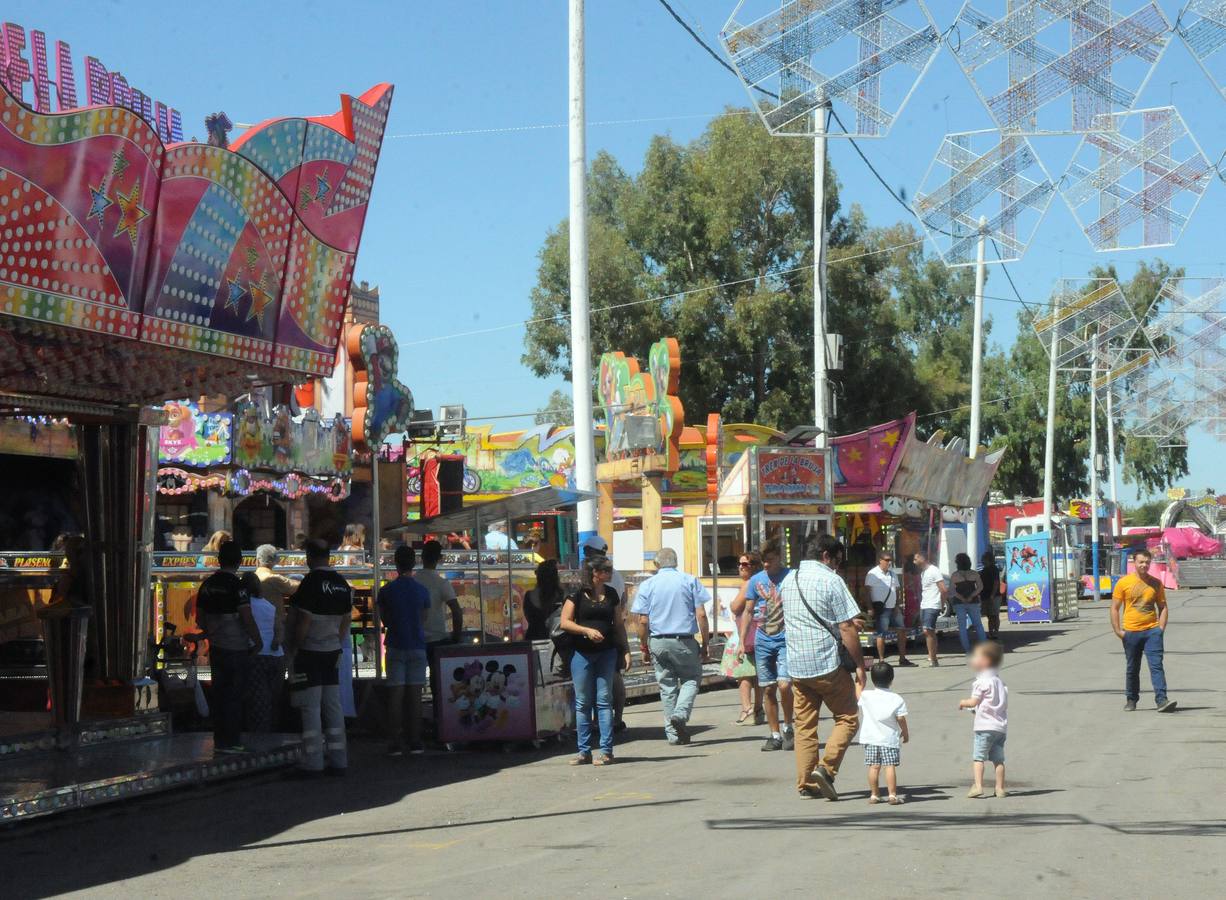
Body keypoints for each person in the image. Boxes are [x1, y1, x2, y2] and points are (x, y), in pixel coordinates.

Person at [781, 534, 866, 800]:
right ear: (826, 556)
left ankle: (806, 783)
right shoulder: (831, 580)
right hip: (826, 663)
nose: (837, 567)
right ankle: (826, 770)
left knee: (805, 726)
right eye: (837, 561)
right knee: (848, 718)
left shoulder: (788, 579)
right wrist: (861, 665)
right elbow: (846, 626)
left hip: (797, 665)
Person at [286, 539, 354, 774]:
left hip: (310, 653)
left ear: (309, 556)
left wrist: (295, 647)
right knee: (333, 705)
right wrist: (335, 640)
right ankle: (339, 759)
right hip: (333, 651)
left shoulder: (310, 583)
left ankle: (313, 762)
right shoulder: (341, 584)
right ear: (329, 556)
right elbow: (346, 620)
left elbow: (303, 621)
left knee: (310, 707)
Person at [631, 547, 711, 745]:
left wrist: (644, 646)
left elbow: (642, 621)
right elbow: (701, 614)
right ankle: (680, 715)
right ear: (676, 562)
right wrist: (705, 643)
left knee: (667, 686)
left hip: (658, 641)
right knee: (691, 679)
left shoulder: (648, 585)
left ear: (657, 564)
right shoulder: (690, 580)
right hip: (684, 640)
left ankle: (673, 735)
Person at [560, 557, 630, 765]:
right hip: (582, 653)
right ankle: (584, 751)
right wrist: (587, 631)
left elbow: (618, 624)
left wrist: (625, 650)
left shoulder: (611, 594)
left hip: (607, 652)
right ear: (595, 572)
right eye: (606, 569)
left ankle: (606, 750)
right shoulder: (577, 595)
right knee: (582, 702)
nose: (610, 572)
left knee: (603, 700)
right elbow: (565, 622)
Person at [195, 541, 261, 753]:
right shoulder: (238, 586)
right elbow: (246, 616)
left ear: (218, 559)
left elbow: (201, 618)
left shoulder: (207, 585)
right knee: (235, 695)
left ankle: (219, 739)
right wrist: (257, 640)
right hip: (237, 649)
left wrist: (211, 632)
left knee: (219, 694)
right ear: (240, 561)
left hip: (216, 648)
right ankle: (232, 741)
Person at [736, 542, 794, 752]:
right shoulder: (755, 580)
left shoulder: (791, 576)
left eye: (770, 560)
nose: (767, 564)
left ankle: (788, 726)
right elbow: (748, 611)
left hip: (786, 637)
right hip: (763, 639)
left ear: (779, 557)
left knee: (785, 685)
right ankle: (775, 734)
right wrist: (742, 641)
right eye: (764, 561)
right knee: (768, 687)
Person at [378, 545, 431, 756]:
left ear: (395, 563)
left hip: (395, 645)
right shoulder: (422, 590)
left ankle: (395, 742)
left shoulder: (386, 591)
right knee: (415, 696)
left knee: (396, 695)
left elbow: (385, 619)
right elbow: (424, 619)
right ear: (414, 563)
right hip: (417, 645)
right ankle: (415, 740)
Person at [1111, 549, 1177, 713]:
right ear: (1134, 562)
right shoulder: (1124, 583)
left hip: (1152, 632)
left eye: (1147, 562)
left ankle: (1162, 700)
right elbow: (1114, 608)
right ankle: (1131, 699)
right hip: (1131, 632)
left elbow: (1163, 607)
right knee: (1132, 668)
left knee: (1156, 666)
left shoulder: (1156, 583)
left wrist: (1160, 629)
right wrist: (1118, 631)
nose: (1144, 565)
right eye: (1141, 562)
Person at [580, 535, 628, 731]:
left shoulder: (604, 576)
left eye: (587, 550)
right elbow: (623, 602)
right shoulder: (614, 574)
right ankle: (615, 719)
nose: (584, 554)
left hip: (605, 632)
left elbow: (615, 604)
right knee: (612, 677)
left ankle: (609, 720)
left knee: (610, 677)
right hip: (609, 630)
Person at [959, 640, 1008, 798]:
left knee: (978, 758)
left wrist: (963, 703)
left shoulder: (981, 682)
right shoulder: (999, 682)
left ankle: (978, 786)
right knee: (998, 760)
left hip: (984, 727)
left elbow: (974, 702)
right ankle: (999, 788)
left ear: (985, 661)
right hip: (1000, 727)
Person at [721, 551, 764, 726]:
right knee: (760, 674)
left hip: (746, 633)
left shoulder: (748, 584)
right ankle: (759, 709)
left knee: (744, 674)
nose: (740, 567)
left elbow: (735, 606)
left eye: (745, 564)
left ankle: (747, 708)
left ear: (754, 566)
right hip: (760, 632)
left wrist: (732, 604)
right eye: (739, 563)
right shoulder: (764, 581)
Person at [858, 661, 909, 805]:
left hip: (870, 738)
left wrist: (859, 678)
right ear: (891, 679)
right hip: (888, 739)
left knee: (874, 767)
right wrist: (905, 732)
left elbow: (858, 693)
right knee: (889, 766)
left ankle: (874, 795)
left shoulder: (866, 695)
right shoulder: (897, 698)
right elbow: (900, 718)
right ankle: (892, 795)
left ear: (872, 679)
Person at [242, 572, 284, 733]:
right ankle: (274, 732)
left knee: (258, 699)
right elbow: (279, 629)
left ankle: (259, 734)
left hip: (256, 655)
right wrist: (276, 642)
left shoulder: (245, 606)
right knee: (274, 698)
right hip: (276, 656)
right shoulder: (269, 605)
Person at [866, 551, 914, 666]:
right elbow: (867, 592)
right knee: (881, 634)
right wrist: (869, 607)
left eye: (890, 560)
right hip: (882, 609)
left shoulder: (892, 574)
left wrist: (897, 605)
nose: (889, 562)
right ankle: (881, 660)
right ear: (880, 560)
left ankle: (902, 658)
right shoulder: (873, 573)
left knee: (901, 631)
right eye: (887, 560)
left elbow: (897, 590)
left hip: (893, 608)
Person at [913, 552, 948, 667]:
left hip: (933, 604)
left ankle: (933, 659)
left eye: (916, 558)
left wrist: (941, 604)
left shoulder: (934, 570)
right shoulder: (923, 573)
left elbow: (943, 589)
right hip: (925, 604)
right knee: (929, 631)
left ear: (923, 558)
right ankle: (932, 656)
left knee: (927, 630)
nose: (914, 561)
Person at [950, 552, 986, 654]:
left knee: (962, 627)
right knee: (978, 625)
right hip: (973, 602)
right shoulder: (974, 573)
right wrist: (971, 596)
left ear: (957, 563)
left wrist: (961, 598)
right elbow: (980, 587)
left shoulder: (955, 575)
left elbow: (952, 591)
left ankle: (967, 650)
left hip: (959, 603)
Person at [523, 558, 564, 641]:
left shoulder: (529, 595)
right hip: (554, 637)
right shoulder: (560, 595)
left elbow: (528, 616)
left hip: (533, 637)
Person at [254, 544, 297, 620]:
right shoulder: (274, 578)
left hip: (254, 622)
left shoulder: (250, 578)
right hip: (274, 623)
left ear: (257, 561)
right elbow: (294, 587)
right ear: (275, 561)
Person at [979, 550, 1002, 639]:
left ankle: (995, 632)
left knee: (994, 615)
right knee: (989, 615)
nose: (982, 561)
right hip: (985, 596)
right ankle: (991, 632)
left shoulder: (993, 569)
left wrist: (992, 595)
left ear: (988, 560)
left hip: (994, 596)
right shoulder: (984, 570)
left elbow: (996, 583)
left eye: (983, 559)